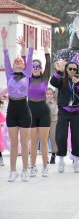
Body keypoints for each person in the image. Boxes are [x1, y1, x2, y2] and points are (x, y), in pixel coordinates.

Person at [2, 27, 34, 182]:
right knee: (14, 144)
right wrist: (4, 39)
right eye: (16, 63)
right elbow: (6, 55)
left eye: (20, 62)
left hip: (24, 110)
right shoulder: (9, 73)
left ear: (23, 65)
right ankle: (13, 171)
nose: (18, 64)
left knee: (24, 143)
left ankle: (25, 171)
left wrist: (26, 43)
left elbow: (31, 53)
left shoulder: (27, 74)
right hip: (12, 110)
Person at [50, 54, 79, 174]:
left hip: (76, 112)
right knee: (61, 136)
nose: (72, 71)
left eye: (74, 69)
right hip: (64, 111)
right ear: (66, 69)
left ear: (77, 70)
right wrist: (58, 70)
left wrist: (77, 84)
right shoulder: (61, 80)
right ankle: (61, 160)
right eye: (70, 68)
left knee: (77, 137)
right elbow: (53, 82)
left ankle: (76, 161)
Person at [21, 32, 52, 178]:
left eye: (37, 67)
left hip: (44, 110)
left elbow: (49, 63)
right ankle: (33, 166)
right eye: (33, 67)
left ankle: (45, 167)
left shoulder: (45, 78)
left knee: (44, 143)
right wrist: (25, 47)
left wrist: (46, 48)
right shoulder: (27, 78)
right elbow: (24, 62)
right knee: (32, 142)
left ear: (40, 68)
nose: (35, 69)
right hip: (30, 110)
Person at [46, 88, 58, 164]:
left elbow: (57, 89)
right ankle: (45, 157)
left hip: (54, 121)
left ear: (53, 95)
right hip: (45, 122)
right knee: (45, 140)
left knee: (53, 139)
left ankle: (53, 156)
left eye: (51, 94)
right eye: (47, 94)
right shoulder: (43, 102)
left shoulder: (56, 101)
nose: (49, 95)